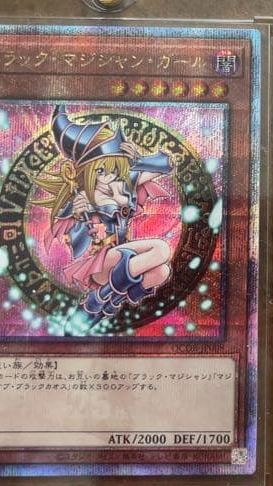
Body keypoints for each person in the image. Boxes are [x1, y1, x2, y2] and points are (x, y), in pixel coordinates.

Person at [33, 105, 173, 329]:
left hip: (122, 260)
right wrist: (78, 213)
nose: (109, 176)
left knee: (162, 272)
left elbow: (165, 165)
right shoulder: (83, 197)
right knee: (161, 249)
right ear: (88, 172)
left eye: (114, 169)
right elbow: (71, 225)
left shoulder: (122, 185)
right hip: (100, 262)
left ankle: (106, 301)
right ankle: (100, 298)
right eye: (101, 171)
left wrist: (136, 158)